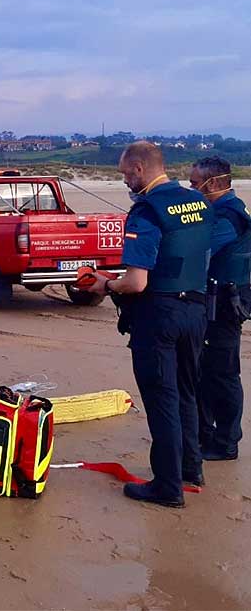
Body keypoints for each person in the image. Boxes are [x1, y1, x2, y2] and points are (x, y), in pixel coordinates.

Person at [87, 141, 211, 507]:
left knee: (162, 400)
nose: (125, 181)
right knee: (187, 391)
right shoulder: (198, 202)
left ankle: (167, 486)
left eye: (126, 174)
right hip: (197, 309)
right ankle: (191, 467)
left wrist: (106, 283)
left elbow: (136, 282)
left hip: (159, 315)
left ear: (140, 169)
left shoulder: (146, 211)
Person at [189, 156, 249, 461]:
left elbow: (201, 250)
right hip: (214, 302)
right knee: (206, 371)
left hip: (224, 305)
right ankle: (207, 433)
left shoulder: (229, 216)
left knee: (222, 373)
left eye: (195, 183)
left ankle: (226, 441)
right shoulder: (219, 211)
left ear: (214, 183)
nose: (191, 188)